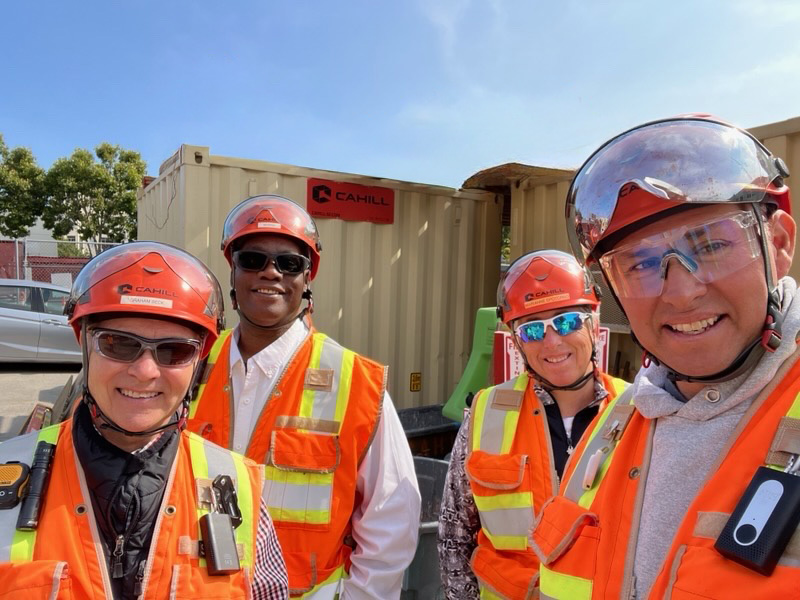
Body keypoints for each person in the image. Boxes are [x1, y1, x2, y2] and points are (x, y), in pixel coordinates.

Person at [530, 115, 800, 598]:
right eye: (640, 264)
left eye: (713, 244)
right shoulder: (613, 430)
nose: (680, 292)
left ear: (777, 244)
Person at [0, 242, 288, 599]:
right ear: (84, 343)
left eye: (175, 350)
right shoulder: (7, 472)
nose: (145, 371)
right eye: (118, 344)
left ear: (197, 363)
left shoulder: (239, 488)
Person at [187, 195, 420, 599]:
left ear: (307, 277)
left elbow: (391, 517)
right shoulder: (188, 365)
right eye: (253, 259)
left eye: (289, 263)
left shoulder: (357, 383)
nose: (270, 273)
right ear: (233, 269)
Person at [438, 249, 629, 599]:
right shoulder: (486, 412)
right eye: (533, 329)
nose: (552, 341)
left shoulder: (636, 411)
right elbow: (455, 535)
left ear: (593, 324)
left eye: (567, 321)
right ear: (516, 341)